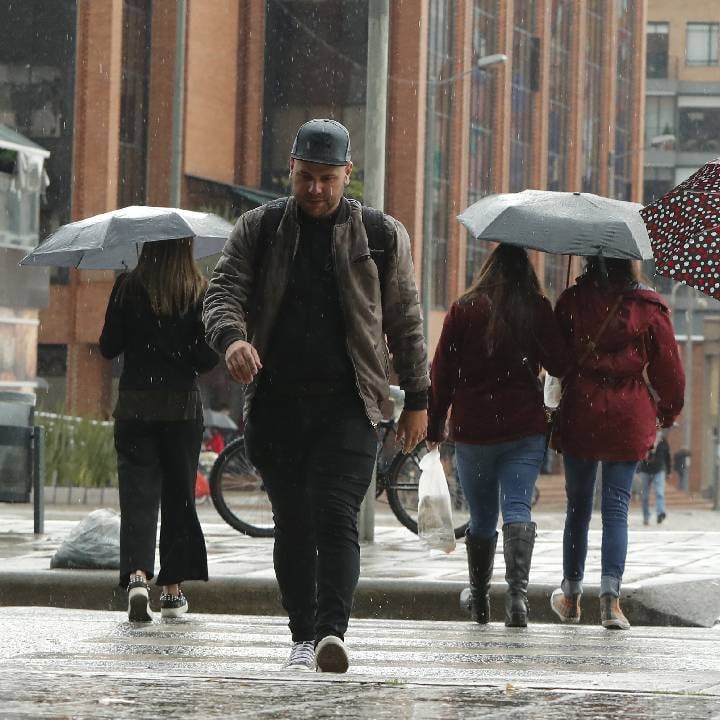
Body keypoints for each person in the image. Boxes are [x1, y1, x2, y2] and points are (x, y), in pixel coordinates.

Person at [203, 119, 429, 672]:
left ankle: (332, 633)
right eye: (306, 177)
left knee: (335, 517)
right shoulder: (260, 228)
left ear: (348, 174)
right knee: (294, 523)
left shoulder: (379, 234)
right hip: (276, 404)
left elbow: (406, 322)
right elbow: (222, 292)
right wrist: (232, 341)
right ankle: (301, 634)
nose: (316, 190)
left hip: (352, 404)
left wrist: (419, 401)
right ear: (292, 171)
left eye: (328, 178)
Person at [427, 244, 570, 628]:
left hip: (473, 429)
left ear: (487, 269)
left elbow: (442, 373)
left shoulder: (463, 309)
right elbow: (560, 365)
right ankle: (517, 600)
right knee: (518, 508)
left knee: (482, 516)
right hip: (523, 428)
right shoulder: (536, 308)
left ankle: (479, 599)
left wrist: (435, 426)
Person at [549, 257, 684, 630]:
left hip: (582, 410)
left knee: (577, 507)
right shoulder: (651, 308)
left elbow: (556, 357)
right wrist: (668, 412)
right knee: (616, 508)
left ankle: (572, 595)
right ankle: (611, 600)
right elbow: (670, 369)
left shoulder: (573, 300)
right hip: (628, 414)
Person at [100, 239, 219, 623]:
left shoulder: (127, 287)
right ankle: (171, 590)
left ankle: (137, 576)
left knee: (137, 493)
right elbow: (205, 359)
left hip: (135, 405)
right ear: (186, 250)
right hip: (181, 409)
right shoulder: (198, 291)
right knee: (179, 496)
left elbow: (108, 346)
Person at [636, 430, 671, 525]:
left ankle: (660, 513)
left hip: (659, 470)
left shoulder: (663, 442)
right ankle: (646, 516)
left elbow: (667, 456)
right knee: (644, 496)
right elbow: (639, 454)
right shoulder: (645, 439)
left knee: (659, 492)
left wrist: (669, 471)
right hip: (645, 470)